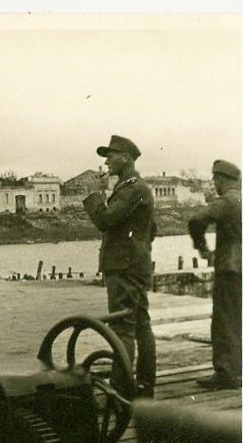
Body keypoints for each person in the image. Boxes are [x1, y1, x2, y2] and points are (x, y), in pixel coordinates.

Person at [83, 135, 157, 399]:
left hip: (124, 268)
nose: (106, 161)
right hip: (135, 265)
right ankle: (145, 385)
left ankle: (121, 387)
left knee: (123, 327)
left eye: (111, 155)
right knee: (140, 324)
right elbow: (152, 229)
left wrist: (93, 194)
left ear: (125, 157)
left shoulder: (132, 189)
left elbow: (105, 220)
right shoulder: (135, 188)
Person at [189, 160, 242, 390]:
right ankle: (242, 369)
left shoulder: (227, 201)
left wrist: (202, 246)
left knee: (224, 320)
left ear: (221, 179)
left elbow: (197, 220)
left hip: (229, 267)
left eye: (215, 179)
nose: (214, 183)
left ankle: (226, 373)